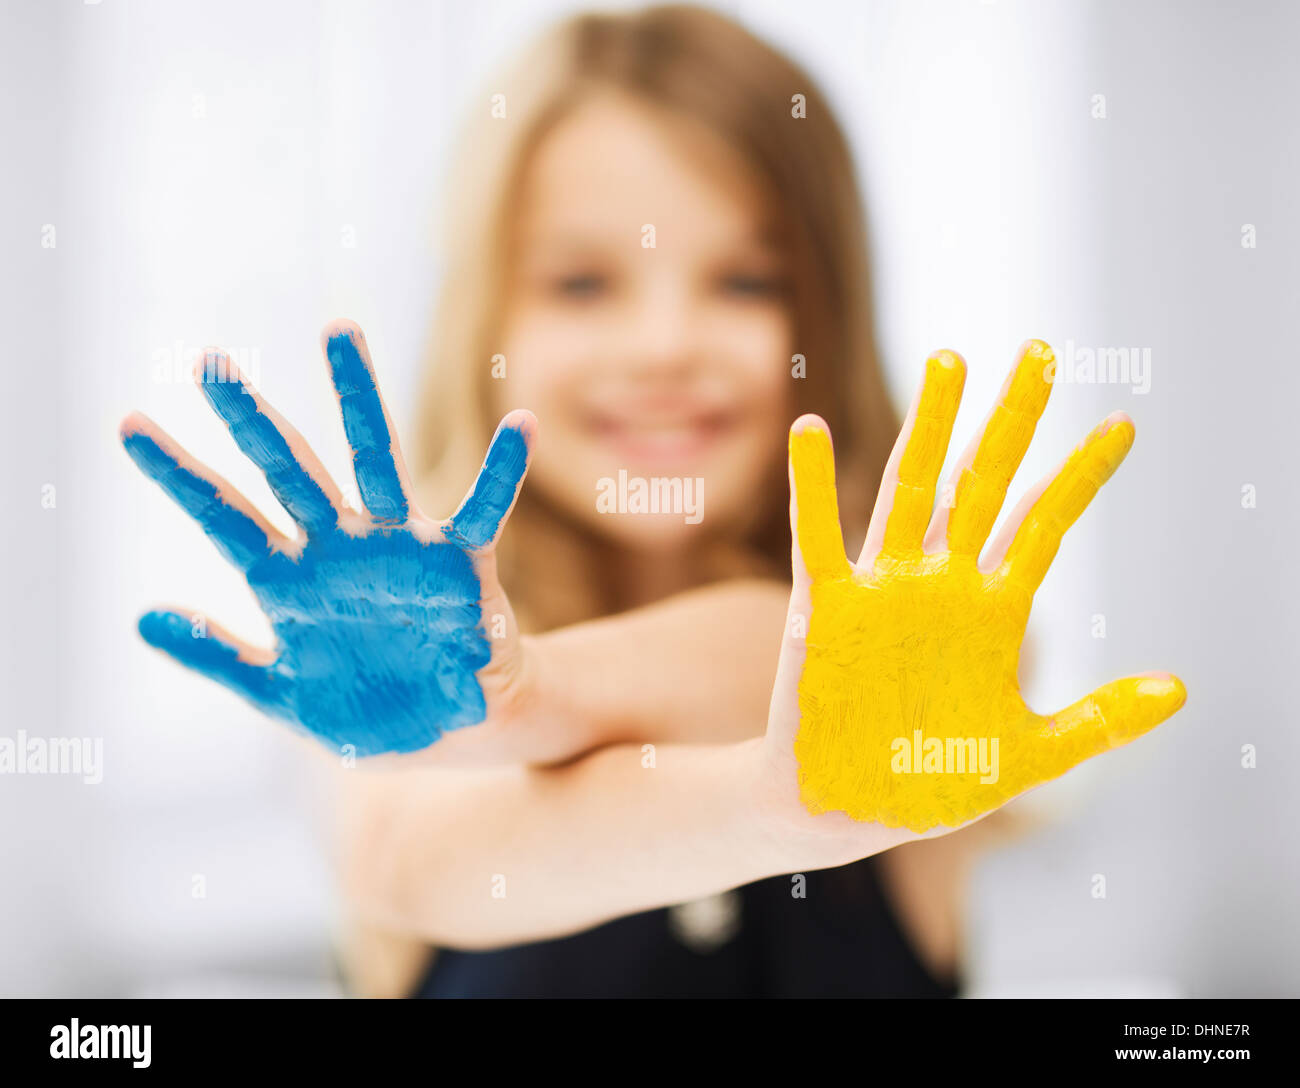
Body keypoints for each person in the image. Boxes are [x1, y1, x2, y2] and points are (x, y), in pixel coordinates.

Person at [120, 5, 1184, 998]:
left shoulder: (912, 654)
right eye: (582, 283)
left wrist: (523, 693)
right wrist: (766, 806)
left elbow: (758, 652)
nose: (665, 343)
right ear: (484, 326)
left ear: (825, 319)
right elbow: (406, 863)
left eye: (746, 282)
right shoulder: (379, 653)